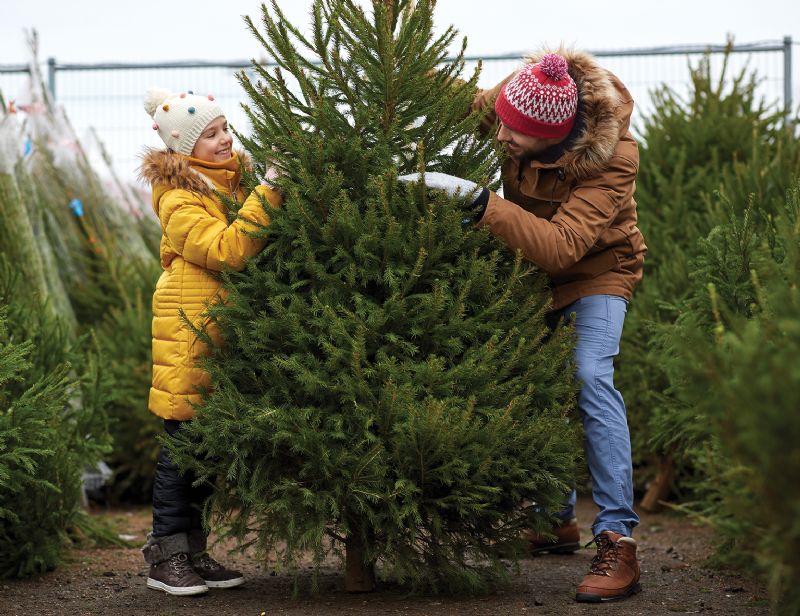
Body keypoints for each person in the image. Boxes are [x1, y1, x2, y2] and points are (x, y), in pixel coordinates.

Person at [399, 50, 646, 603]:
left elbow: (562, 248)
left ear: (554, 135)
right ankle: (555, 521)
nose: (500, 131)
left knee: (586, 374)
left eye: (516, 131)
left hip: (599, 271)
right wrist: (399, 54)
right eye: (502, 119)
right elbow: (463, 100)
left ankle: (617, 538)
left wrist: (481, 201)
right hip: (531, 273)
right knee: (532, 382)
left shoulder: (613, 157)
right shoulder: (524, 96)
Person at [137, 86, 281, 596]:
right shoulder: (179, 198)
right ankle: (164, 559)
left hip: (218, 333)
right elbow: (229, 249)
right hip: (189, 335)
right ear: (183, 148)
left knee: (204, 455)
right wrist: (270, 190)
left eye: (225, 129)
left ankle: (192, 553)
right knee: (181, 451)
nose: (225, 140)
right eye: (211, 134)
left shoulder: (229, 184)